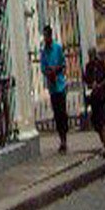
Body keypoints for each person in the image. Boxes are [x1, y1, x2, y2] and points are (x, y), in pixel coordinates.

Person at [40, 24, 69, 152]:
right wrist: (48, 72)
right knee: (57, 114)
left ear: (50, 36)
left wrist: (55, 70)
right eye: (44, 36)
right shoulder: (44, 52)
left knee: (62, 112)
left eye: (46, 36)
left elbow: (63, 64)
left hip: (60, 85)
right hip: (52, 87)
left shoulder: (57, 48)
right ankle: (61, 139)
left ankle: (64, 138)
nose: (45, 38)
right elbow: (42, 68)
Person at [84, 45, 105, 157]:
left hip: (103, 96)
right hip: (94, 99)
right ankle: (103, 142)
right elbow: (86, 80)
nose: (91, 57)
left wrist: (99, 85)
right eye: (90, 55)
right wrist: (91, 85)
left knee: (104, 120)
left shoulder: (101, 64)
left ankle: (104, 146)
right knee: (97, 122)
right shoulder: (88, 67)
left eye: (92, 55)